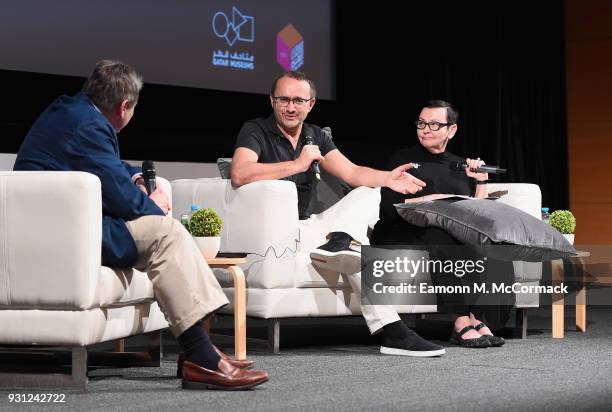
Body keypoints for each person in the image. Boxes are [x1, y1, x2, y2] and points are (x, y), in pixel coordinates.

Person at [13, 60, 268, 390]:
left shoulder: (73, 110)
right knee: (166, 232)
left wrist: (134, 176)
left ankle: (202, 352)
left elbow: (108, 166)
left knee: (167, 232)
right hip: (67, 236)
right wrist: (157, 207)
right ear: (124, 107)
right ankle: (201, 357)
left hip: (58, 228)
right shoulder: (88, 126)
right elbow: (125, 202)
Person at [230, 71, 446, 357]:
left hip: (307, 228)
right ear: (272, 101)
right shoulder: (255, 129)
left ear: (311, 104)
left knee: (369, 193)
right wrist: (297, 164)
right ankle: (393, 330)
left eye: (298, 100)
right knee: (357, 254)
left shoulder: (315, 135)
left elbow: (352, 172)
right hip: (277, 232)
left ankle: (340, 241)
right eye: (283, 99)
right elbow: (240, 173)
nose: (290, 107)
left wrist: (387, 178)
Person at [371, 100, 512, 348]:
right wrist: (430, 201)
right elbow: (390, 208)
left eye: (434, 124)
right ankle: (459, 320)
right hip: (401, 230)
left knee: (491, 243)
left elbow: (474, 214)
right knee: (443, 237)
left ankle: (477, 318)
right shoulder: (404, 159)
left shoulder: (460, 165)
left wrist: (480, 181)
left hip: (444, 232)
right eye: (422, 123)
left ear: (451, 130)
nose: (425, 129)